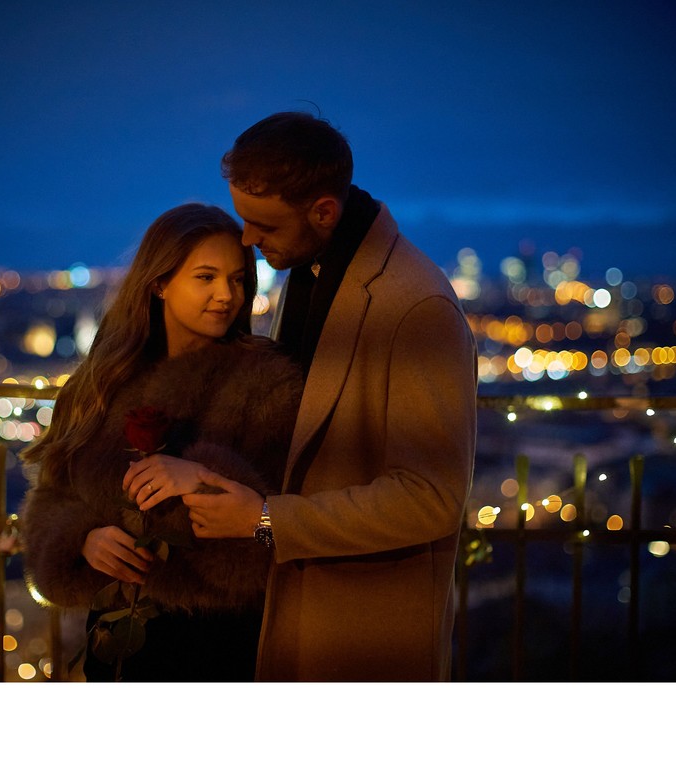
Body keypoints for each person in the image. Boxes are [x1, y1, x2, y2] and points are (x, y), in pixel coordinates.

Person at [143, 111, 478, 681]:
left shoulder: (417, 307)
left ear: (324, 212)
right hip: (297, 612)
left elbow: (431, 497)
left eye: (264, 226)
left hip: (362, 626)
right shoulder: (311, 269)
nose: (248, 239)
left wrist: (267, 520)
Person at [19, 202, 303, 681]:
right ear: (159, 283)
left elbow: (278, 524)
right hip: (114, 637)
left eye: (238, 280)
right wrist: (83, 539)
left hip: (221, 641)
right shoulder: (102, 382)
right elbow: (53, 495)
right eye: (206, 277)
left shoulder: (268, 383)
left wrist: (201, 477)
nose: (226, 296)